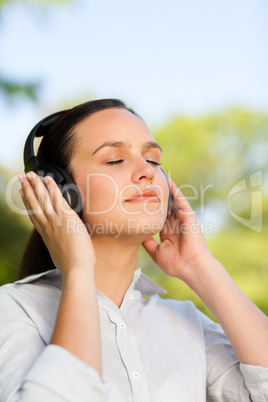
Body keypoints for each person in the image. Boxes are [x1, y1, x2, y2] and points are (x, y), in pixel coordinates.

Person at [0, 99, 267, 402]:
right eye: (115, 160)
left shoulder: (184, 323)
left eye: (153, 160)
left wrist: (200, 266)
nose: (147, 172)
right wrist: (78, 268)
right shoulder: (12, 310)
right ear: (59, 189)